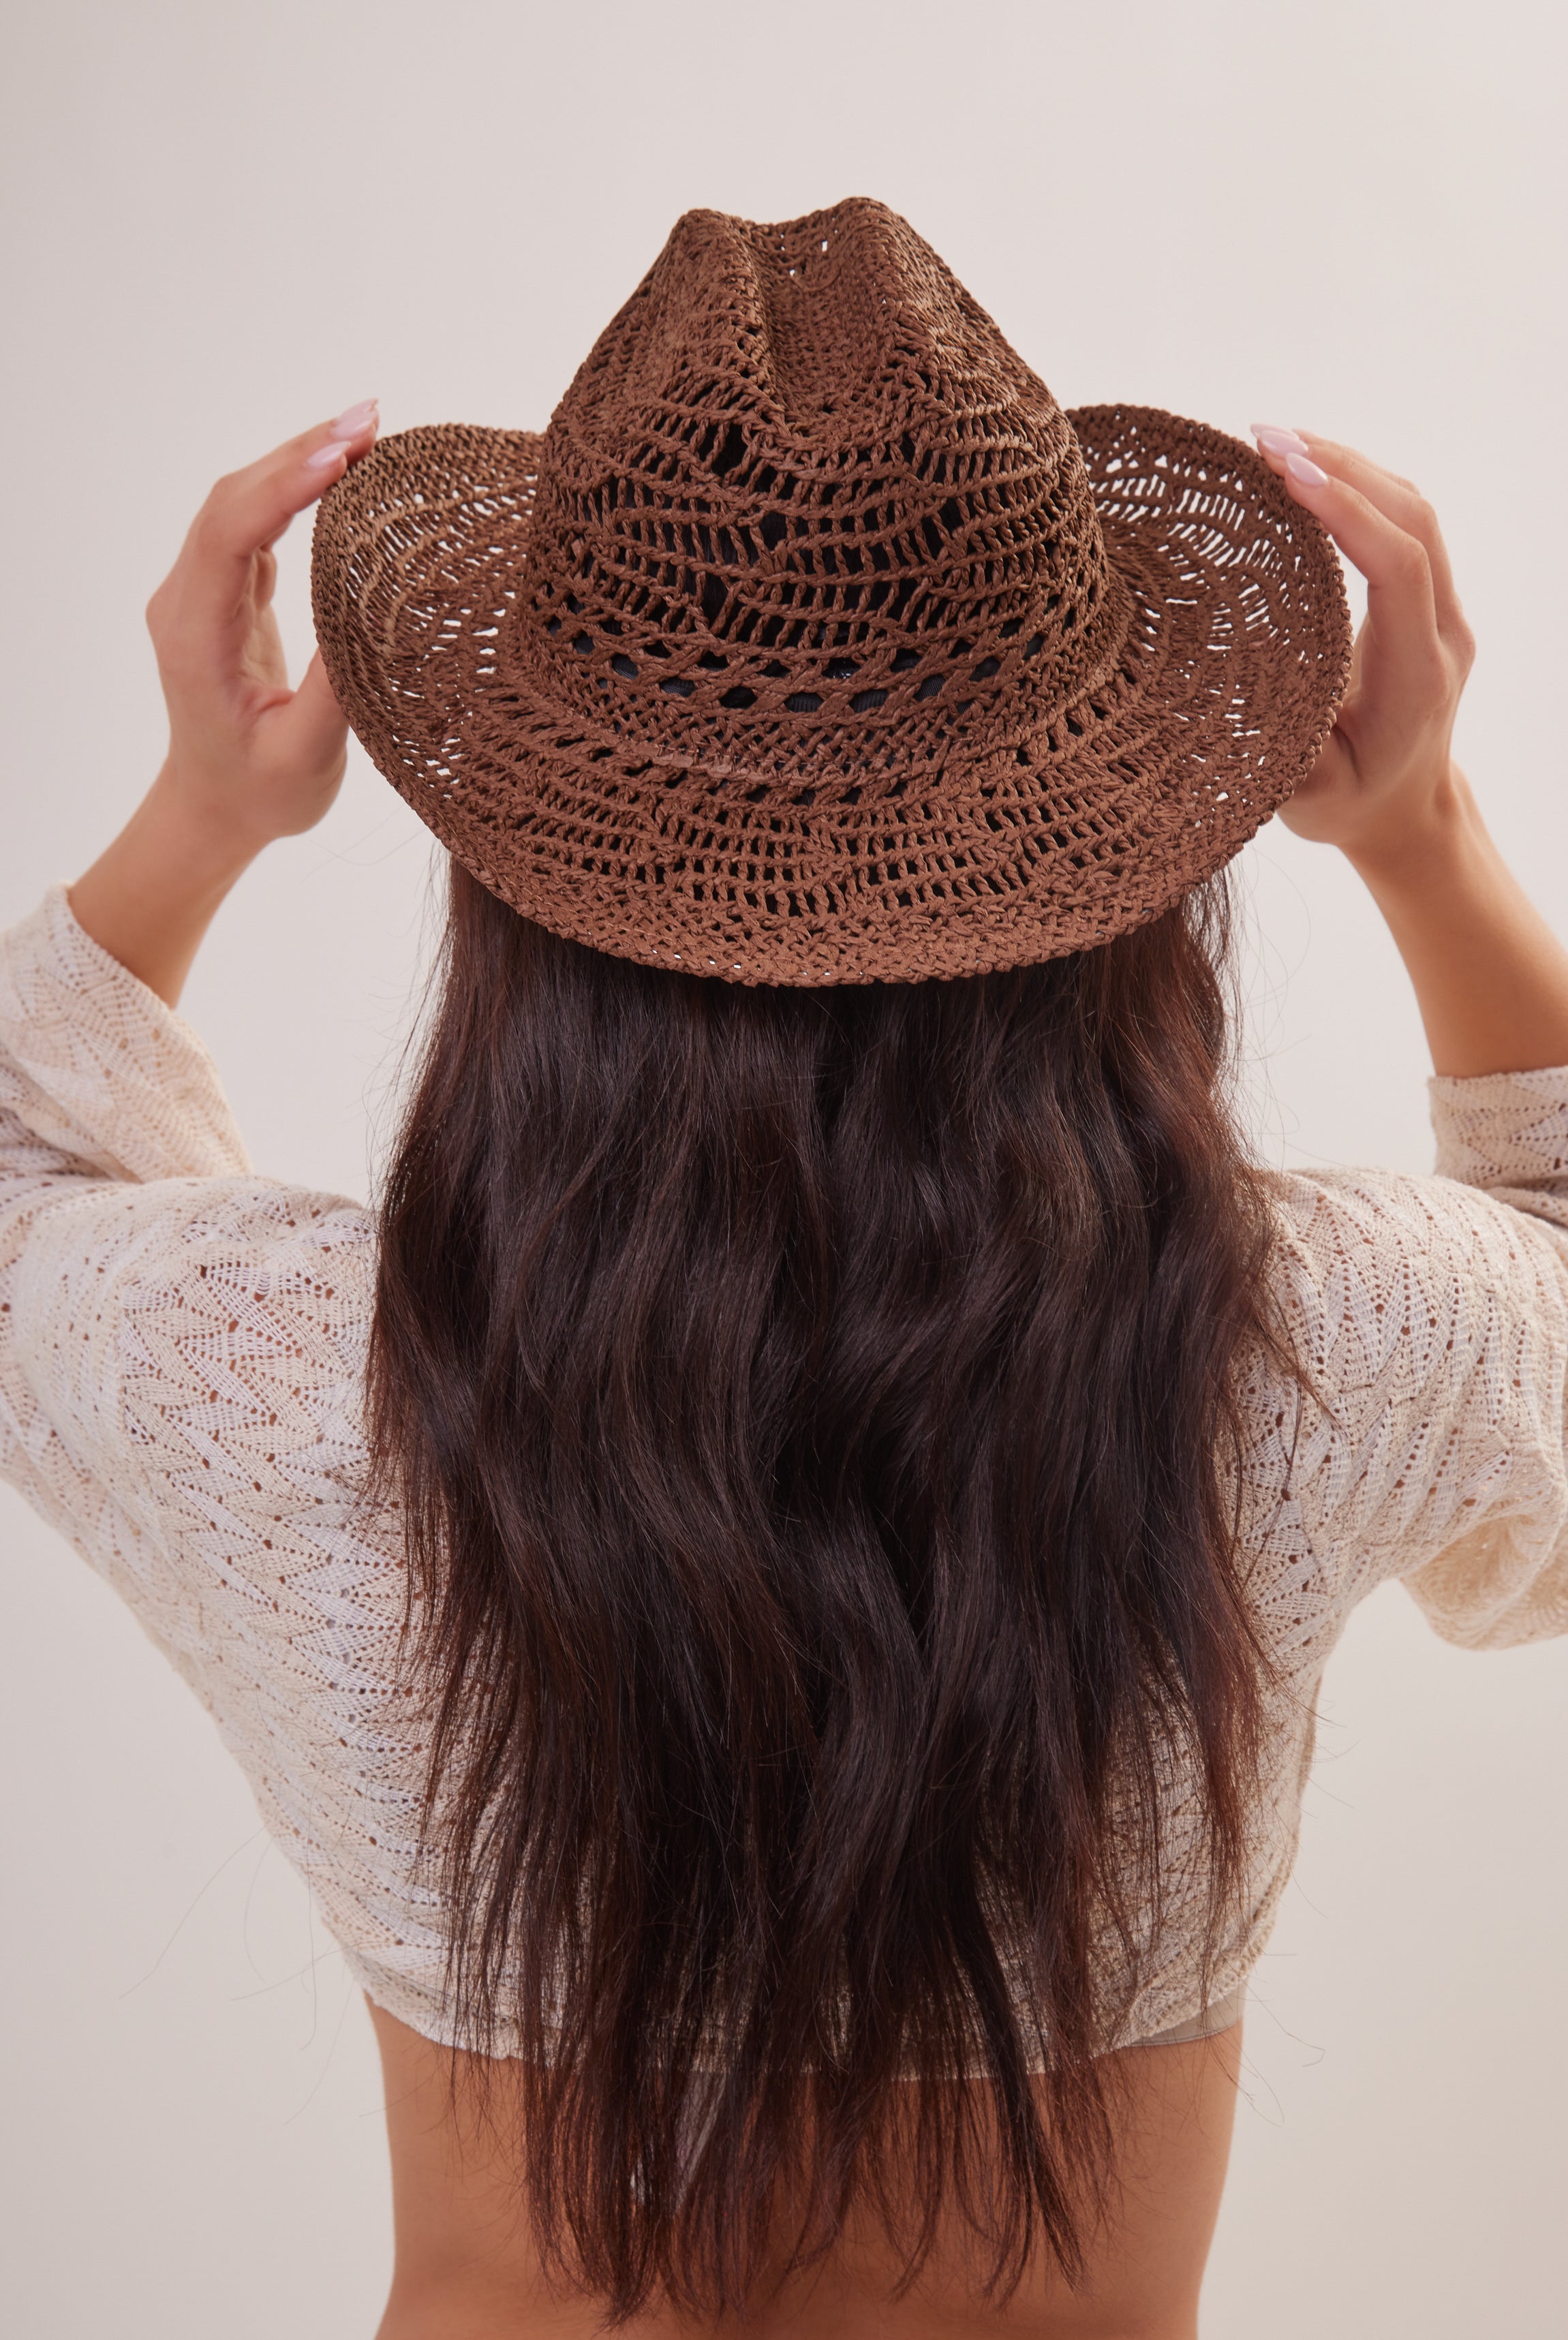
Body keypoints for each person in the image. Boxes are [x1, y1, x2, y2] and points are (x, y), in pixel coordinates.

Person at [3, 200, 1567, 2339]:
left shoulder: (308, 1382)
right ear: (1109, 860)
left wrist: (201, 809)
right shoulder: (1302, 1345)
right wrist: (1428, 839)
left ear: (524, 881)